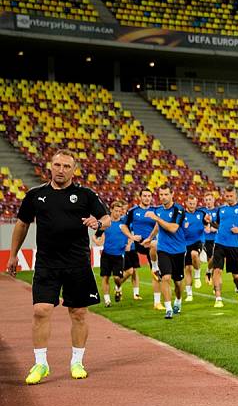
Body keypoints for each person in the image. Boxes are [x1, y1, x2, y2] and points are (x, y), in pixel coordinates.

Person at [6, 150, 110, 384]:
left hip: (77, 263)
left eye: (66, 166)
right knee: (40, 310)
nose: (61, 170)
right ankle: (41, 364)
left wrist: (97, 222)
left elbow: (107, 219)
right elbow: (22, 224)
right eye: (57, 165)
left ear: (74, 170)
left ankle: (77, 361)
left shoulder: (85, 194)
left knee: (79, 313)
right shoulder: (35, 195)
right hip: (47, 263)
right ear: (50, 166)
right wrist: (13, 254)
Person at [143, 185, 185, 320]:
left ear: (172, 194)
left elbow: (173, 228)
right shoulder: (159, 210)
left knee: (178, 282)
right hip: (163, 249)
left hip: (178, 250)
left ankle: (178, 300)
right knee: (165, 278)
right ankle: (168, 309)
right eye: (161, 195)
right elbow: (157, 227)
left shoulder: (178, 209)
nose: (163, 197)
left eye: (166, 194)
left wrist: (157, 218)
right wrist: (149, 238)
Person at [120, 188, 162, 309]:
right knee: (128, 271)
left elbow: (160, 224)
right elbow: (123, 226)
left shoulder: (155, 211)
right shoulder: (133, 211)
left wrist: (150, 238)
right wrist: (132, 236)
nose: (147, 198)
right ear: (140, 197)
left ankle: (157, 302)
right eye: (144, 196)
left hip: (150, 243)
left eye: (149, 196)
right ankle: (119, 286)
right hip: (137, 243)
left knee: (156, 273)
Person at [209, 186, 238, 308]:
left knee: (236, 275)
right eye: (227, 196)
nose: (229, 198)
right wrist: (209, 221)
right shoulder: (220, 210)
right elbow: (217, 224)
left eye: (231, 196)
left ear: (236, 195)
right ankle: (218, 298)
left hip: (233, 246)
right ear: (224, 196)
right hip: (219, 243)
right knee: (217, 270)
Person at [93, 201, 136, 307]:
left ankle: (117, 287)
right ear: (111, 210)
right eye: (116, 210)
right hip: (106, 254)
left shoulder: (123, 224)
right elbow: (95, 235)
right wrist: (97, 241)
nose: (117, 213)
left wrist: (129, 244)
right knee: (105, 277)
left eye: (119, 211)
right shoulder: (106, 224)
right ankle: (107, 300)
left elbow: (131, 236)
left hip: (119, 255)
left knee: (117, 277)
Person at [182, 195, 207, 301]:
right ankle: (189, 294)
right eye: (190, 203)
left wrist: (208, 224)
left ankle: (197, 275)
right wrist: (184, 226)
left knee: (194, 254)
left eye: (194, 203)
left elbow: (207, 223)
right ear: (186, 203)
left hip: (198, 241)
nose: (192, 205)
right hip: (184, 243)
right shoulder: (182, 215)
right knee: (187, 269)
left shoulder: (201, 214)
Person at [200, 191, 218, 285]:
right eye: (206, 200)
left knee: (216, 261)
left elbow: (221, 224)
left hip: (217, 239)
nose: (208, 201)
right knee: (211, 259)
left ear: (213, 200)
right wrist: (204, 227)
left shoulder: (218, 211)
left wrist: (214, 229)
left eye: (210, 199)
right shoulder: (202, 211)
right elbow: (198, 223)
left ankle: (209, 273)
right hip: (206, 239)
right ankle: (209, 273)